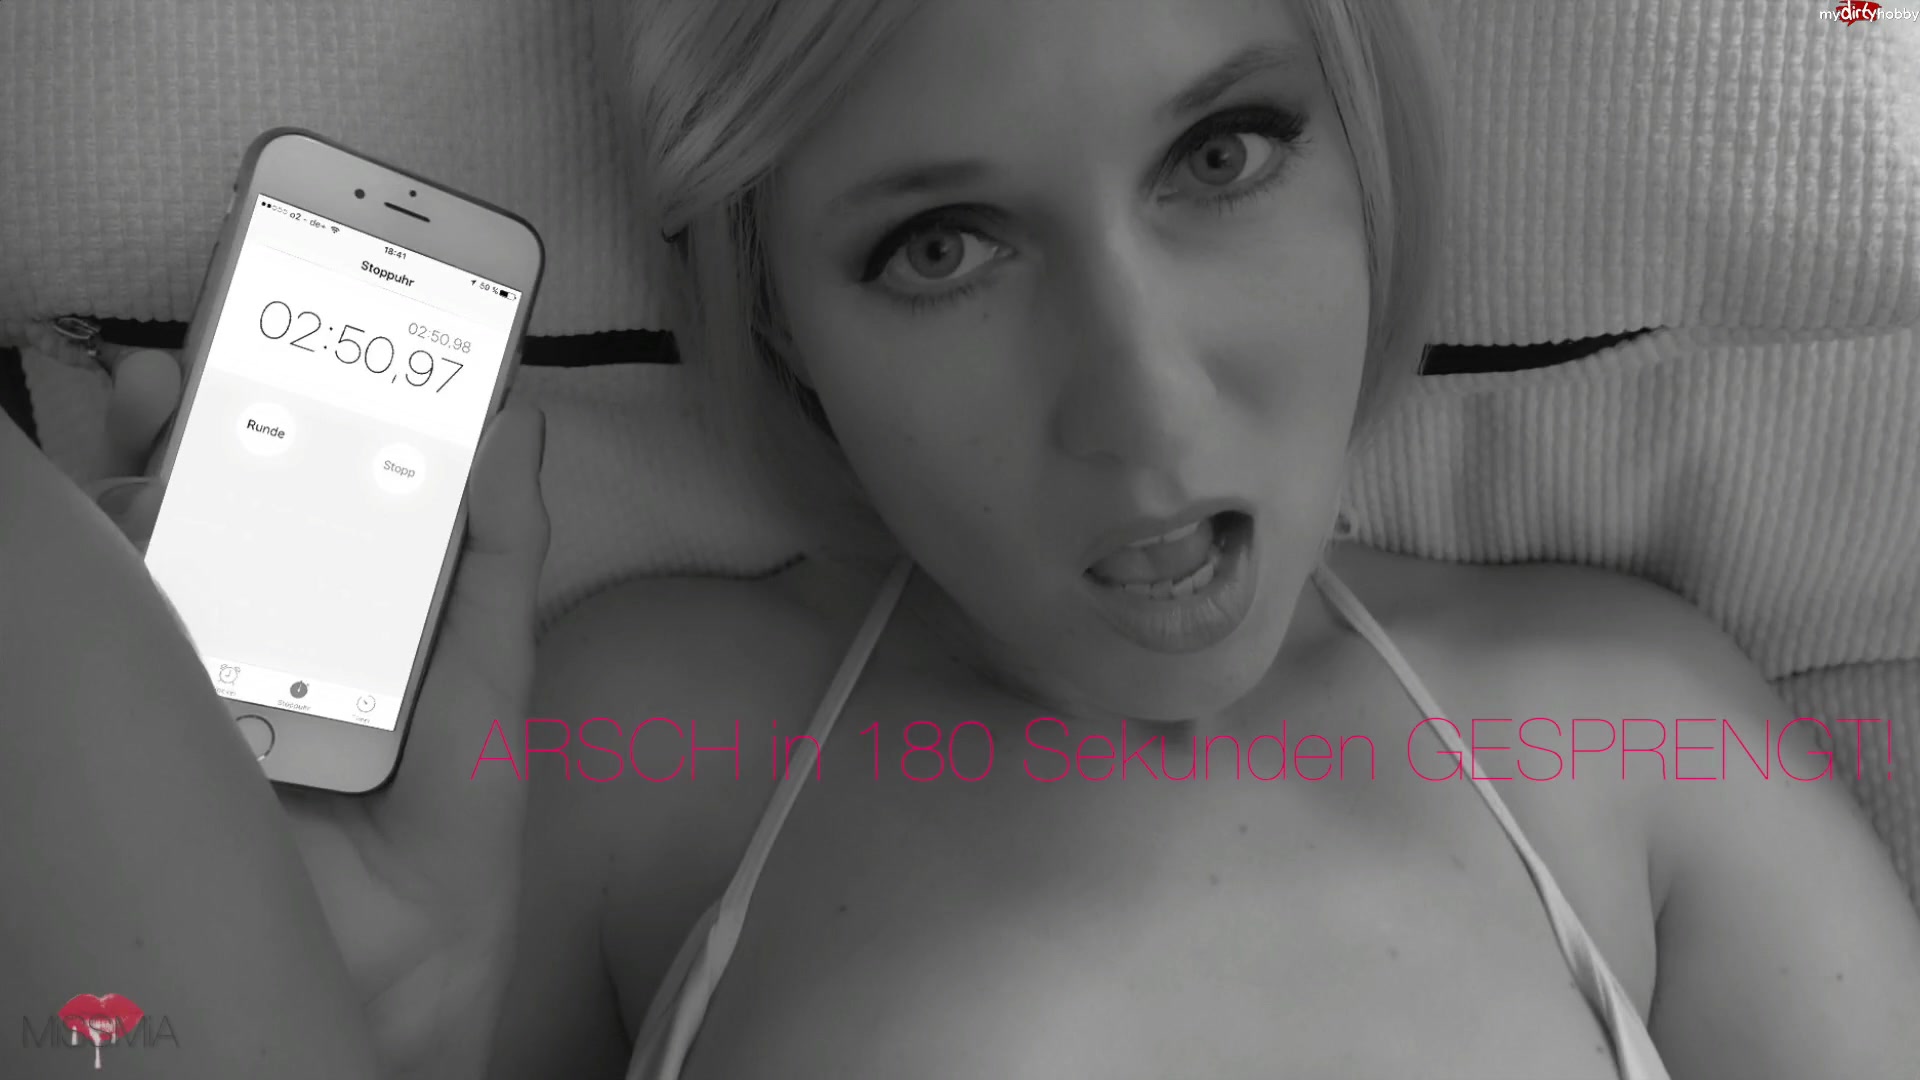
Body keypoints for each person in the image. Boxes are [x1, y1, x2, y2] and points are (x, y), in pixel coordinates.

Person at [4, 0, 1918, 1076]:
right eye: (943, 248)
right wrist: (306, 1031)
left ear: (1366, 147)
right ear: (779, 324)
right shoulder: (643, 749)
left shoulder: (1632, 735)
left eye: (1224, 154)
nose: (1144, 411)